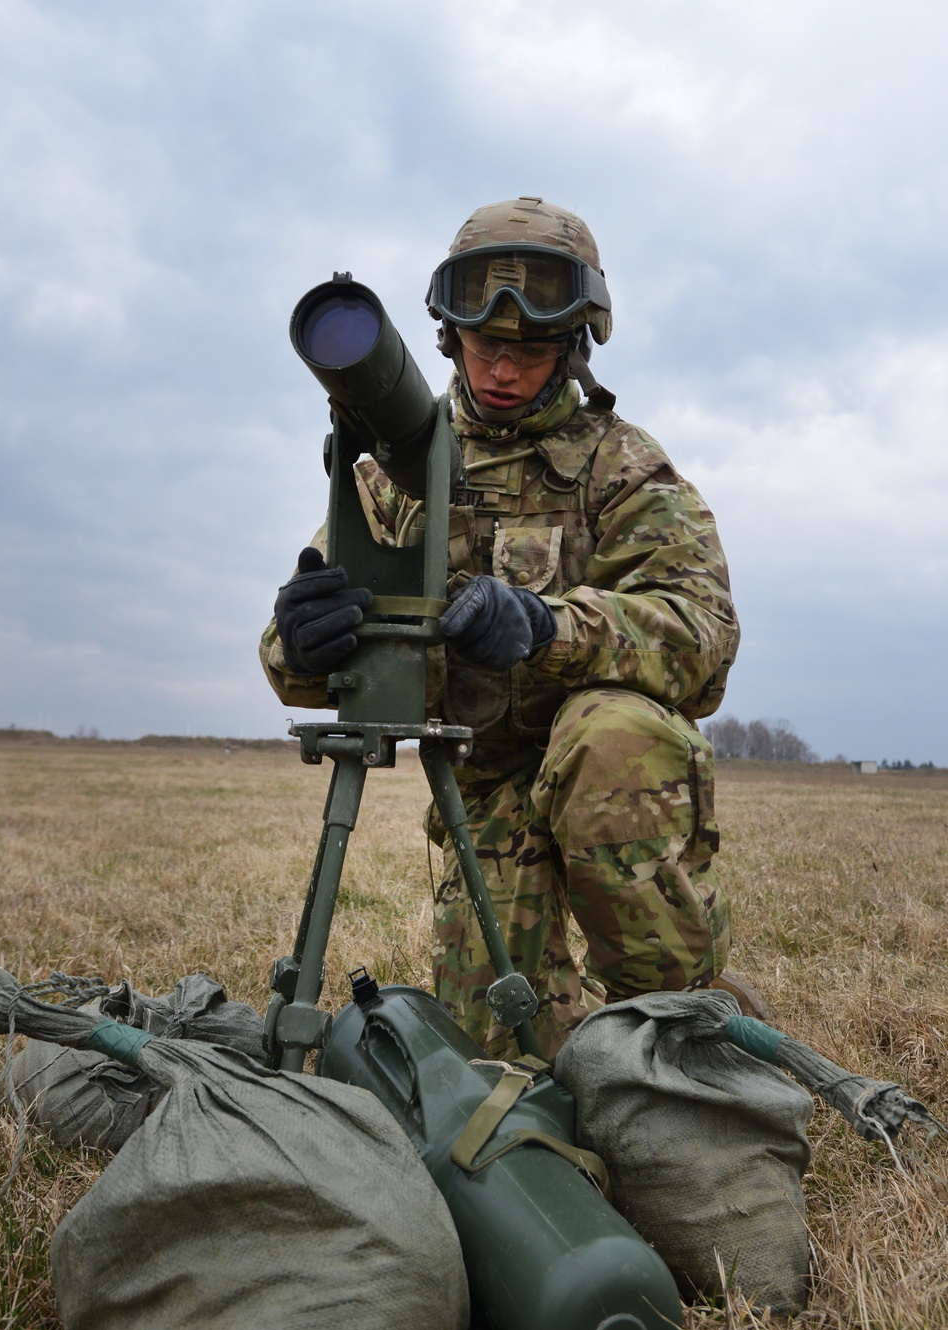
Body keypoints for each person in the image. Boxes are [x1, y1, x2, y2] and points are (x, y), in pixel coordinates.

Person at [262, 196, 745, 1058]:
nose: (503, 371)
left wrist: (547, 626)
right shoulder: (399, 474)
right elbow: (301, 652)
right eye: (486, 345)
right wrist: (298, 641)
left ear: (575, 344)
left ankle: (684, 1018)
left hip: (607, 781)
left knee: (611, 736)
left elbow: (702, 633)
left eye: (530, 351)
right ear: (450, 337)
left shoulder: (622, 468)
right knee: (509, 1065)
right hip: (480, 796)